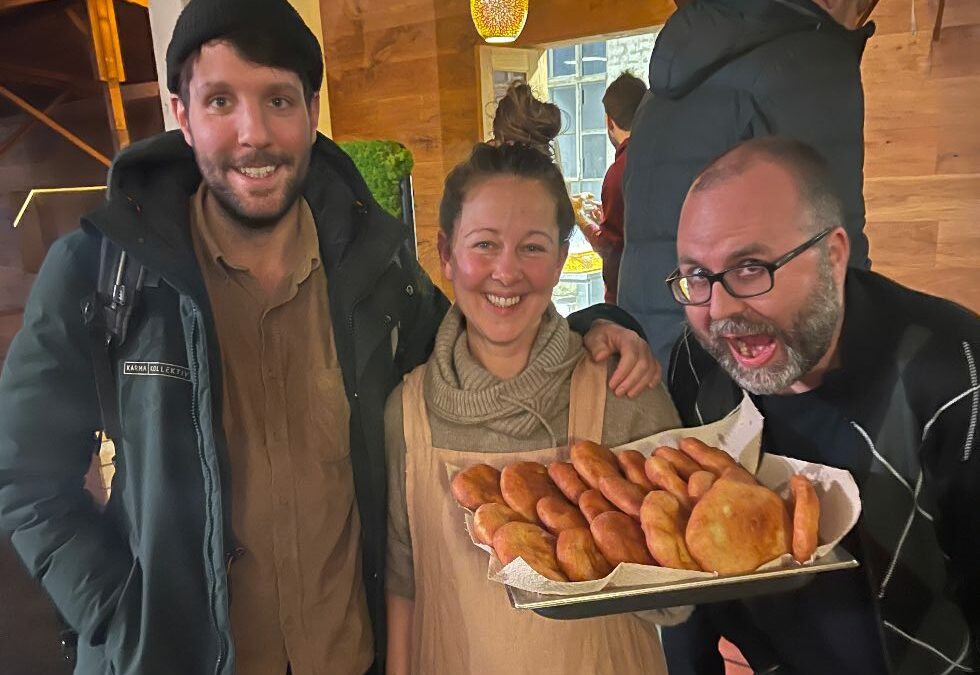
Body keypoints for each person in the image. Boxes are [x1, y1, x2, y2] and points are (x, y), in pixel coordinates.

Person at [0, 1, 662, 674]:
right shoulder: (103, 270)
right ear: (181, 112)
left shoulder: (374, 270)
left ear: (311, 113)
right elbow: (25, 475)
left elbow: (483, 341)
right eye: (222, 100)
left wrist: (595, 329)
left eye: (278, 100)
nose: (253, 133)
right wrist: (118, 614)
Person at [663, 137, 979, 674]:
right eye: (697, 275)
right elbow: (686, 563)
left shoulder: (954, 373)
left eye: (750, 268)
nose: (718, 310)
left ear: (832, 255)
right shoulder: (697, 367)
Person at [383, 138, 683, 675]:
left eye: (533, 247)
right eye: (484, 245)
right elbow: (405, 584)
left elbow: (678, 595)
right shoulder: (405, 413)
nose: (507, 272)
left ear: (562, 258)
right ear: (446, 255)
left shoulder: (623, 390)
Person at [619, 0, 876, 366]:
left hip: (653, 361)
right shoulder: (810, 61)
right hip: (746, 359)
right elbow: (835, 255)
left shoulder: (657, 95)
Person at [576, 72, 646, 304]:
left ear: (609, 121)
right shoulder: (661, 160)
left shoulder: (620, 171)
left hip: (629, 298)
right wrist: (605, 215)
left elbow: (610, 248)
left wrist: (581, 220)